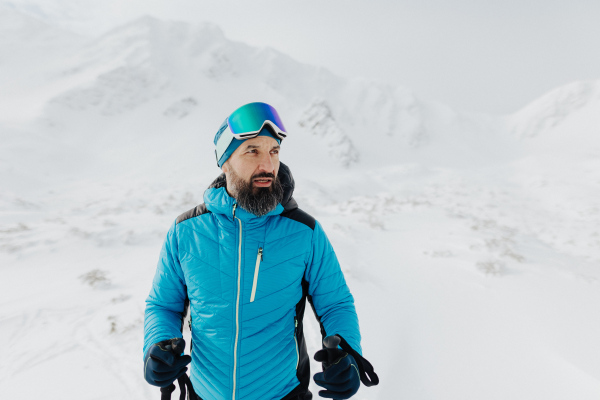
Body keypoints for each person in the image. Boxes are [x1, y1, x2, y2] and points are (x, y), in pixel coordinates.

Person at [143, 102, 378, 400]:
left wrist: (349, 356)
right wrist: (157, 346)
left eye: (274, 151)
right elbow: (164, 305)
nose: (267, 165)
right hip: (204, 394)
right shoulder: (186, 231)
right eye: (252, 151)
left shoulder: (304, 232)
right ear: (225, 161)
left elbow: (336, 304)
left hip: (283, 394)